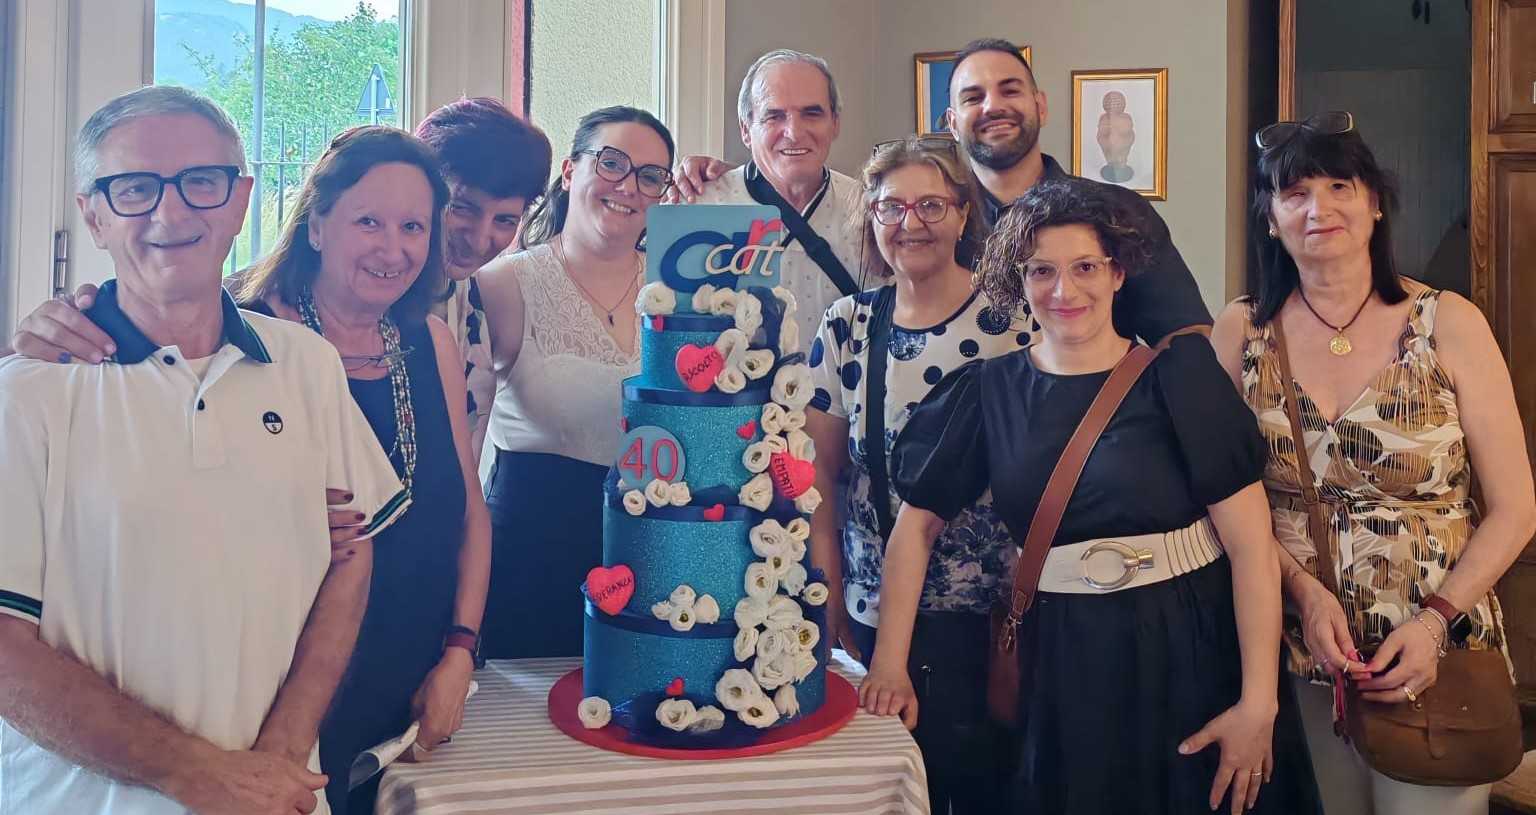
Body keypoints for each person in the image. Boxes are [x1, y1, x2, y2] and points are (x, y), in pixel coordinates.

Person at [0, 86, 408, 815]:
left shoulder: (306, 364)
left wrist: (282, 752)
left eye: (201, 181)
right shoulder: (27, 394)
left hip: (279, 794)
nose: (172, 213)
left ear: (241, 199)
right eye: (135, 188)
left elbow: (348, 557)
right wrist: (193, 772)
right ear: (93, 214)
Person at [879, 177, 1323, 815]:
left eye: (1085, 267)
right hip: (1063, 655)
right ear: (1019, 280)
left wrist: (1259, 704)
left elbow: (1251, 546)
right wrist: (889, 666)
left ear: (1118, 274)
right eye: (1042, 271)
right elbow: (914, 528)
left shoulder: (1181, 379)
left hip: (1192, 644)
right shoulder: (987, 391)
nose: (1064, 291)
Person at [1210, 113, 1535, 815]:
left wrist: (1434, 621)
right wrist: (1303, 592)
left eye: (1339, 186)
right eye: (1294, 193)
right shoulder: (1241, 329)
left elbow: (1515, 509)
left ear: (1376, 203)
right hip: (1291, 647)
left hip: (1437, 648)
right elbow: (1223, 498)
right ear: (1270, 217)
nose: (1318, 208)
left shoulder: (1448, 322)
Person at [233, 125, 491, 815]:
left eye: (413, 227)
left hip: (416, 687)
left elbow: (470, 510)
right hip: (280, 696)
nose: (393, 248)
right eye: (368, 222)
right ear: (316, 225)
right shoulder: (245, 335)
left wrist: (460, 651)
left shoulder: (431, 339)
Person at [672, 39, 1208, 345]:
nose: (992, 106)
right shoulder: (927, 222)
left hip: (1089, 450)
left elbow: (1185, 340)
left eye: (1010, 90)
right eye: (973, 97)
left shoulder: (1115, 213)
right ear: (951, 121)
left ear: (1041, 105)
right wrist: (716, 180)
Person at [806, 136, 1020, 814]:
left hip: (993, 621)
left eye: (931, 205)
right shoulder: (847, 325)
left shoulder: (1015, 322)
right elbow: (819, 477)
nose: (911, 223)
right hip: (874, 619)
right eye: (892, 207)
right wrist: (828, 593)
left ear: (963, 213)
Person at [474, 106, 675, 659]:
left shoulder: (679, 288)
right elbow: (464, 442)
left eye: (650, 176)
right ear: (570, 171)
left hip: (654, 557)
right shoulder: (503, 283)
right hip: (529, 559)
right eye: (611, 163)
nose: (628, 186)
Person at [669, 49, 865, 344]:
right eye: (774, 116)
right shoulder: (698, 205)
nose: (794, 132)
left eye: (812, 114)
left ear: (835, 123)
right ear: (746, 130)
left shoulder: (870, 210)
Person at [415, 97, 552, 454]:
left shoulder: (473, 299)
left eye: (504, 220)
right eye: (461, 208)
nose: (479, 240)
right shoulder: (370, 299)